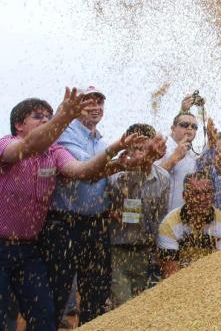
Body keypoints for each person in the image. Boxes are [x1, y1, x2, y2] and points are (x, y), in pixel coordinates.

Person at [0, 89, 149, 330]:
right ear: (18, 124)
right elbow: (27, 145)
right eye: (38, 117)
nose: (46, 120)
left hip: (29, 250)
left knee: (44, 315)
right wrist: (64, 117)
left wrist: (116, 156)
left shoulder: (55, 153)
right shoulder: (7, 143)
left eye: (49, 116)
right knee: (5, 316)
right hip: (3, 245)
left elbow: (84, 172)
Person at [40, 86, 165, 326]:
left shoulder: (100, 141)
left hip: (96, 224)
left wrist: (137, 162)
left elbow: (103, 176)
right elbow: (86, 172)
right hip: (65, 223)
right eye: (89, 101)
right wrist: (118, 153)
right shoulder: (64, 134)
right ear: (75, 107)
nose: (96, 107)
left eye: (100, 102)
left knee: (96, 293)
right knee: (58, 290)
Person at [107, 123, 170, 307]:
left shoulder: (163, 178)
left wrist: (159, 250)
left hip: (145, 251)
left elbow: (161, 218)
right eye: (135, 148)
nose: (140, 154)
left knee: (141, 306)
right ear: (126, 149)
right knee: (122, 304)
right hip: (118, 250)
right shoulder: (116, 176)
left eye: (145, 148)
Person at [157, 172, 221, 278]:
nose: (202, 198)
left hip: (212, 282)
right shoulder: (169, 225)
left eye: (207, 192)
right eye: (196, 193)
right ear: (185, 196)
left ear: (213, 195)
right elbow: (171, 275)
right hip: (178, 284)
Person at [156, 95, 200, 213]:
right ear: (173, 128)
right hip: (157, 218)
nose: (190, 128)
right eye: (185, 125)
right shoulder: (161, 146)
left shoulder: (194, 155)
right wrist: (174, 158)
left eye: (194, 126)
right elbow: (151, 179)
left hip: (182, 220)